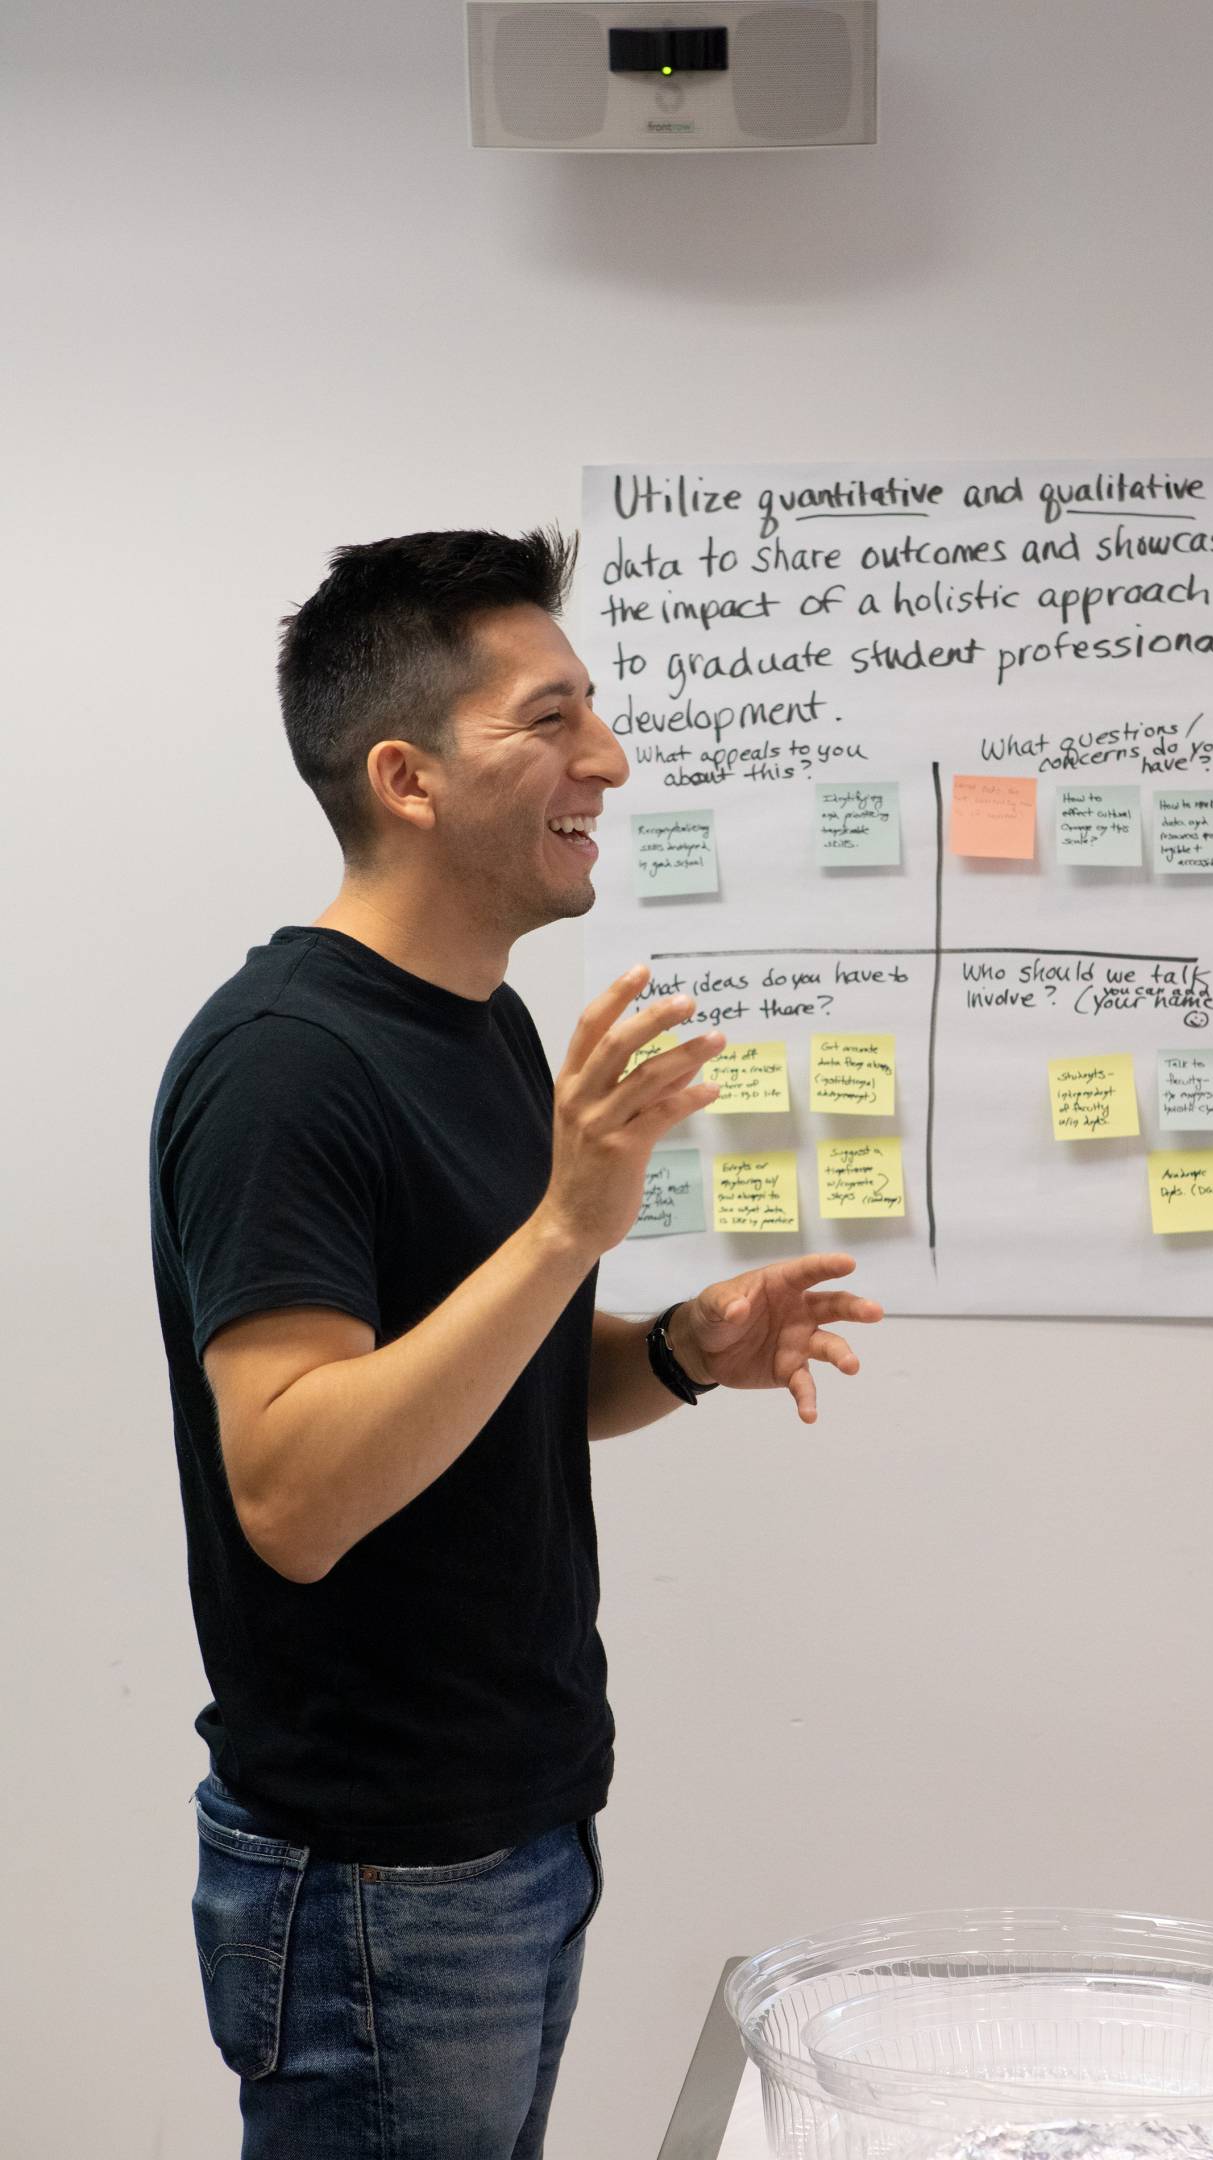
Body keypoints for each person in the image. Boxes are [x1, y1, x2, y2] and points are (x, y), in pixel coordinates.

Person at [148, 526, 882, 2159]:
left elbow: (487, 1393)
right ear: (407, 778)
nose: (605, 761)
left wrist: (680, 1350)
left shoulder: (480, 1023)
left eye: (592, 712)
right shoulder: (283, 1070)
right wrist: (567, 1226)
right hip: (373, 1878)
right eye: (549, 719)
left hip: (510, 1831)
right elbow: (295, 1493)